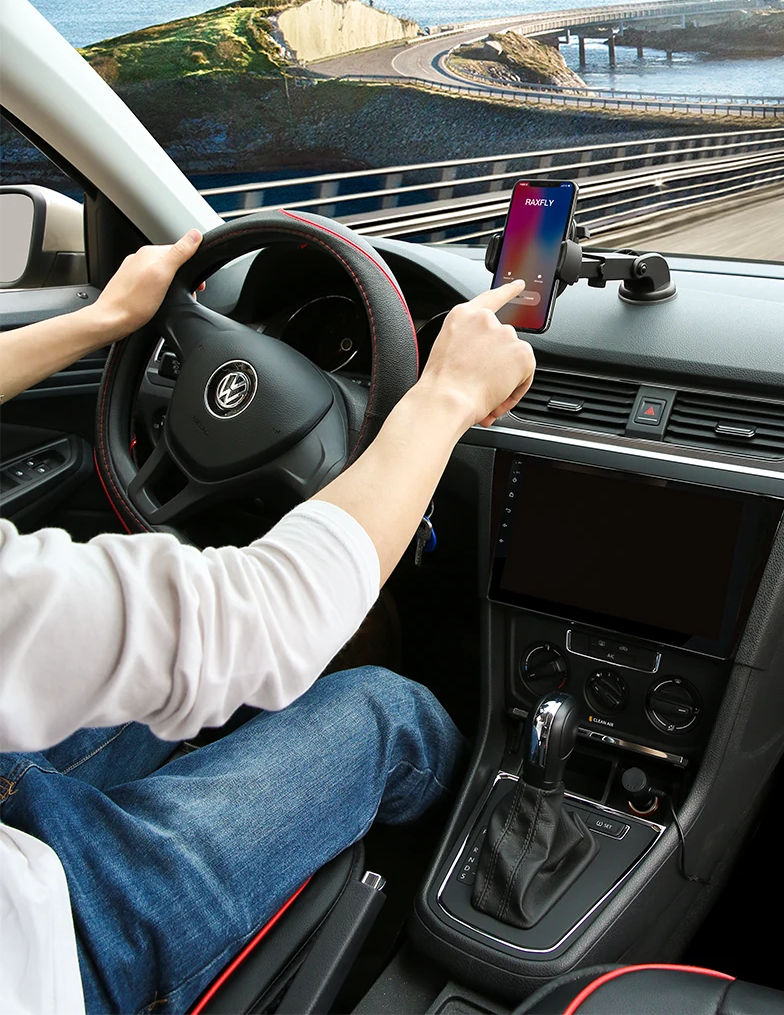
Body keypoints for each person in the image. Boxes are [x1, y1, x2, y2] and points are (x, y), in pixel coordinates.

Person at [0, 229, 536, 1015]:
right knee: (387, 709)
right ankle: (507, 836)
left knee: (238, 675)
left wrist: (104, 319)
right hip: (48, 943)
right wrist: (447, 396)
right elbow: (264, 621)